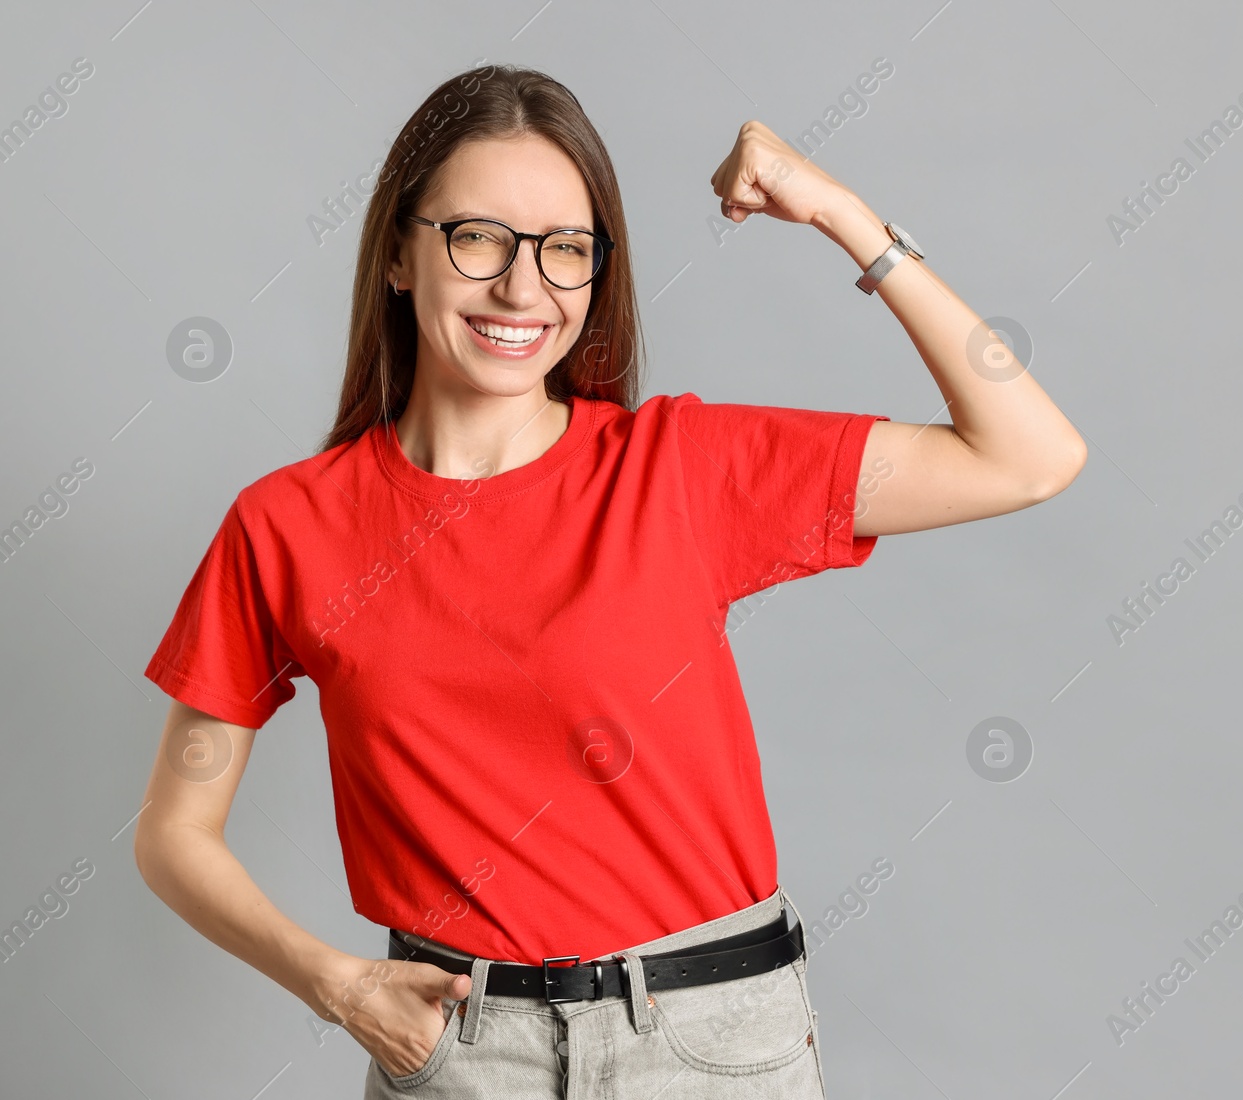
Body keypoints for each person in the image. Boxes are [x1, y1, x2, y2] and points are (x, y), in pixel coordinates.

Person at [133, 62, 1086, 1099]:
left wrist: (844, 216)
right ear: (400, 254)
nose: (522, 287)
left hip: (711, 1047)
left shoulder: (679, 467)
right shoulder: (286, 525)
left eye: (565, 250)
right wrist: (337, 984)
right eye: (478, 236)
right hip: (458, 1056)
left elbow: (1028, 454)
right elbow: (173, 833)